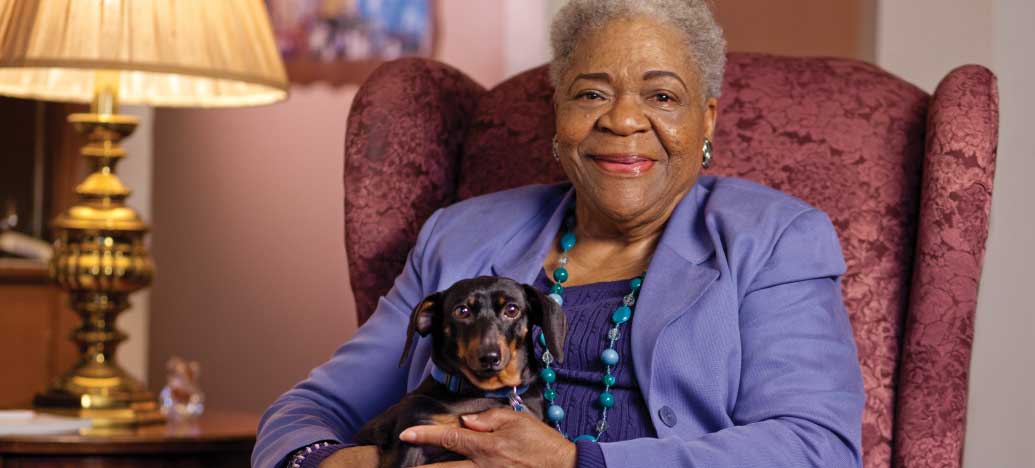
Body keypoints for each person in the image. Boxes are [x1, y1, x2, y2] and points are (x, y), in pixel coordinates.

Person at [252, 0, 865, 467]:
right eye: (591, 92)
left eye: (662, 95)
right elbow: (305, 414)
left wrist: (576, 462)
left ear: (705, 119)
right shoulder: (460, 236)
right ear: (558, 115)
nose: (623, 119)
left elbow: (816, 447)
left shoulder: (775, 239)